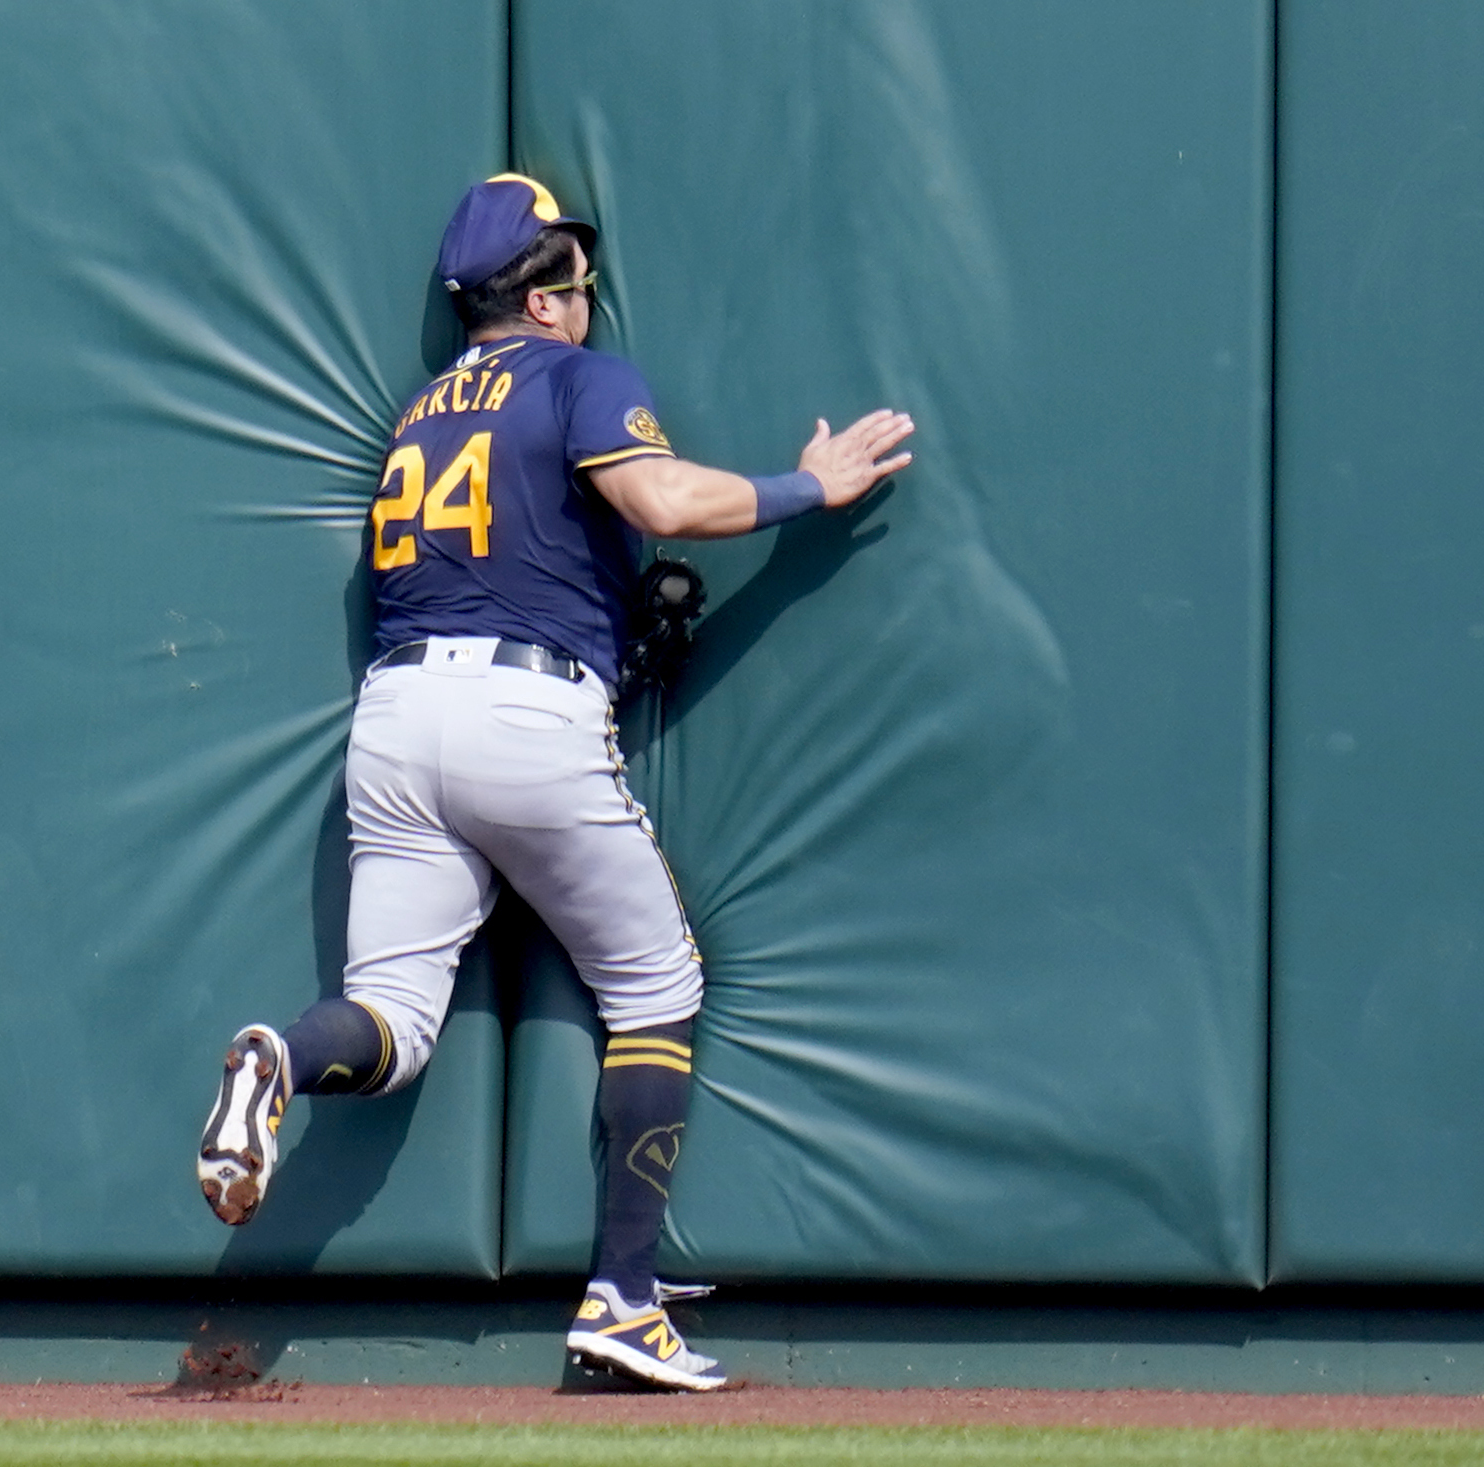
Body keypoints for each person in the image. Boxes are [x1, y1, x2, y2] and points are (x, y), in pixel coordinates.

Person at [197, 173, 914, 1391]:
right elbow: (663, 501)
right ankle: (624, 1302)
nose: (586, 291)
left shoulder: (419, 415)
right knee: (654, 985)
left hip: (397, 715)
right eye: (570, 270)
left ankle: (278, 1052)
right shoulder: (578, 374)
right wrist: (811, 489)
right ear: (540, 296)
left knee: (389, 1018)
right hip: (522, 713)